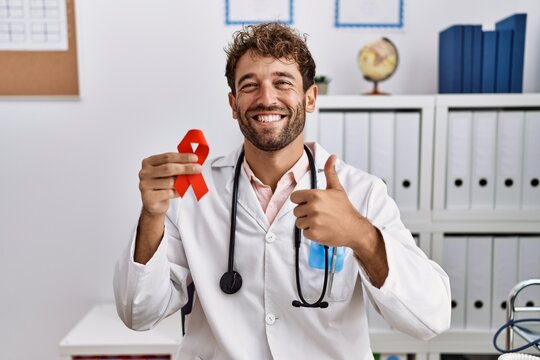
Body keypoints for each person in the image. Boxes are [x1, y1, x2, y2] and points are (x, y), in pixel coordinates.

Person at [114, 22, 451, 360]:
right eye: (250, 85)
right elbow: (138, 314)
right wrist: (152, 216)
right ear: (233, 104)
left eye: (282, 82)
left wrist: (362, 236)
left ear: (310, 98)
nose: (266, 98)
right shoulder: (191, 194)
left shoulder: (361, 193)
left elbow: (430, 319)